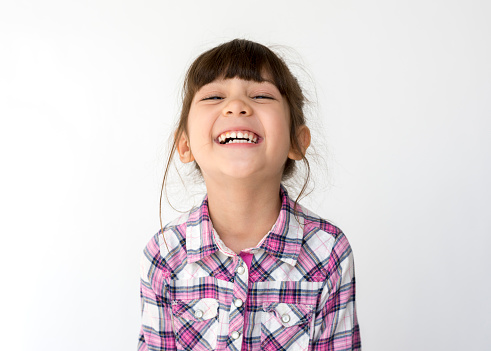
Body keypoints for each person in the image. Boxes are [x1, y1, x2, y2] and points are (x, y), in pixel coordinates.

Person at [138, 39, 360, 351]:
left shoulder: (328, 250)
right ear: (185, 145)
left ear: (297, 142)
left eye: (261, 95)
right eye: (215, 96)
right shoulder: (163, 255)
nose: (237, 106)